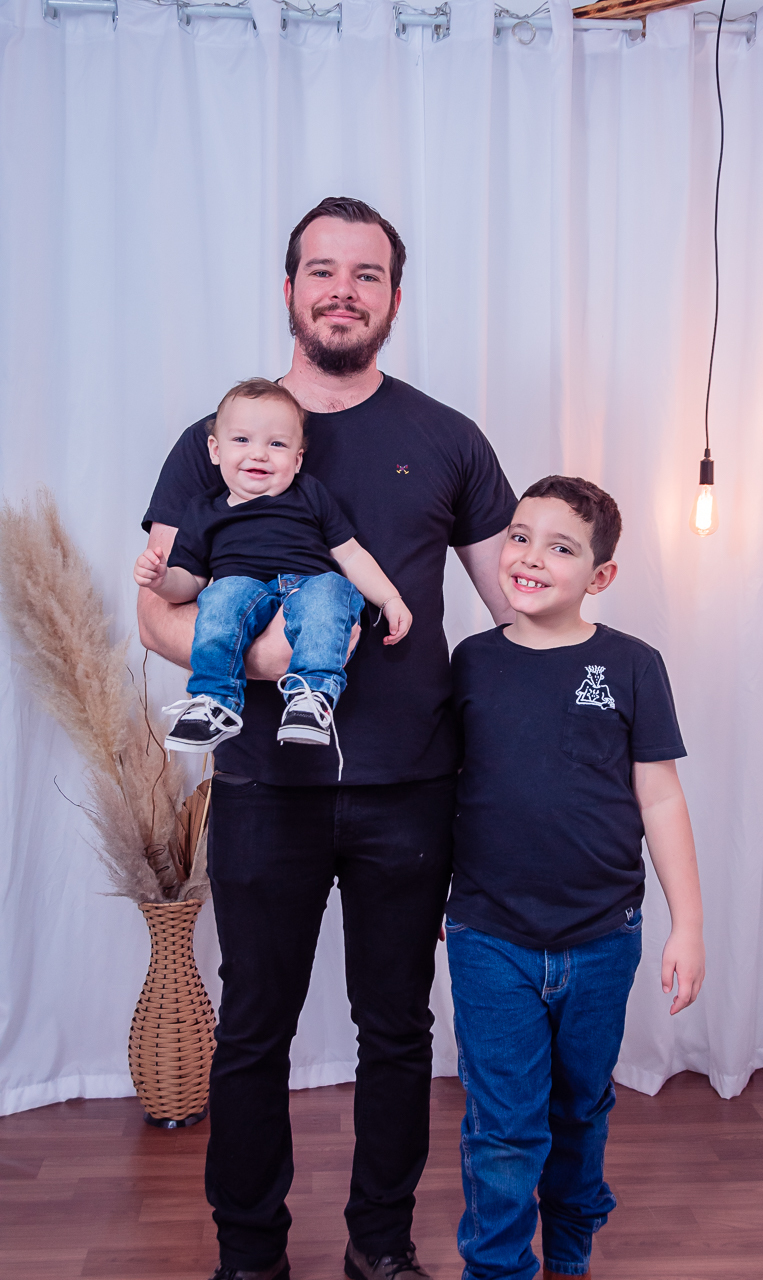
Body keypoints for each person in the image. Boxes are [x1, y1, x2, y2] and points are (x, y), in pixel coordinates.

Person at [136, 196, 517, 1280]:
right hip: (265, 784)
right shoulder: (215, 437)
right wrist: (269, 661)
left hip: (413, 786)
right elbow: (157, 610)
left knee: (395, 1030)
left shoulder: (447, 437)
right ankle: (249, 1253)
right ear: (289, 288)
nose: (342, 292)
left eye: (366, 274)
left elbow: (513, 609)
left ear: (394, 297)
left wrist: (602, 688)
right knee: (254, 1027)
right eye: (322, 270)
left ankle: (380, 1248)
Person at [445, 475, 705, 1280]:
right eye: (519, 537)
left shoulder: (631, 665)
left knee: (579, 1108)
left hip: (601, 939)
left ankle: (568, 1254)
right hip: (489, 937)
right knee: (503, 1126)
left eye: (560, 547)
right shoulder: (471, 662)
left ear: (600, 576)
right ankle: (497, 1269)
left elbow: (659, 798)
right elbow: (441, 790)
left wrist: (688, 926)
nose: (529, 558)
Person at [133, 377, 411, 771]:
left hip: (307, 586)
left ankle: (311, 696)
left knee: (333, 590)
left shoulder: (310, 494)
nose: (259, 454)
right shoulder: (204, 510)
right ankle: (214, 701)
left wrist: (389, 598)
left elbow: (349, 554)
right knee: (220, 599)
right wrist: (162, 580)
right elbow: (190, 584)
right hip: (243, 590)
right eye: (242, 440)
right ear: (215, 450)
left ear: (297, 460)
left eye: (277, 444)